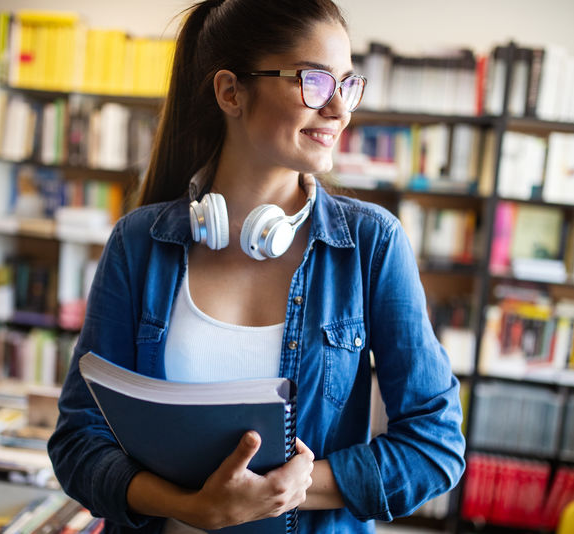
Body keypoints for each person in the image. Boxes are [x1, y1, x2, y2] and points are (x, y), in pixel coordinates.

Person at [47, 0, 466, 532]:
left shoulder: (371, 244)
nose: (340, 109)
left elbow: (437, 447)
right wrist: (189, 506)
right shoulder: (138, 242)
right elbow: (78, 441)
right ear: (230, 92)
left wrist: (295, 489)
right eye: (314, 81)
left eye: (348, 84)